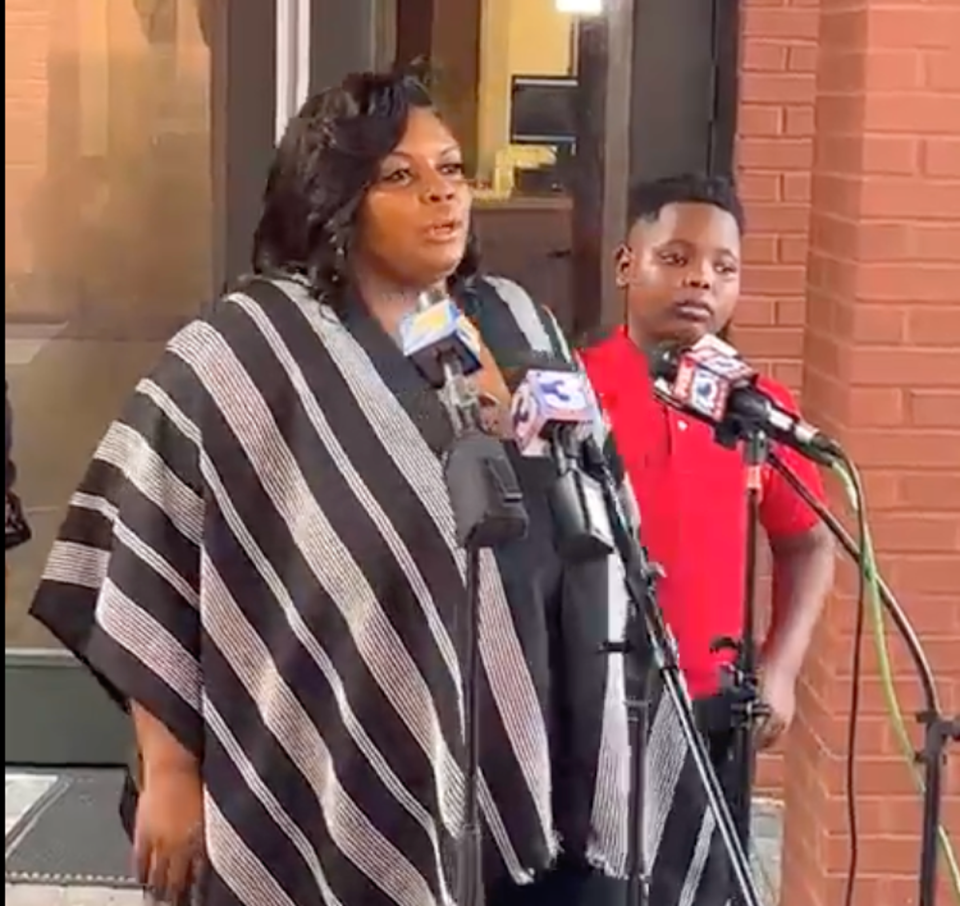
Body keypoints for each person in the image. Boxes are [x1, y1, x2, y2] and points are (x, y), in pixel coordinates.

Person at [30, 72, 634, 906]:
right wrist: (170, 768)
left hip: (544, 757)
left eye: (453, 169)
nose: (441, 194)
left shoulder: (516, 318)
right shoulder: (246, 350)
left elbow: (599, 507)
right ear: (333, 197)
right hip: (331, 773)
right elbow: (145, 542)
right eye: (401, 176)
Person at [580, 173, 836, 901]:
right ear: (628, 265)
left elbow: (809, 542)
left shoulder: (756, 407)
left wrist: (781, 669)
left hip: (710, 708)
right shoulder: (573, 389)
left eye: (724, 267)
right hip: (593, 704)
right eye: (678, 258)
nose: (702, 280)